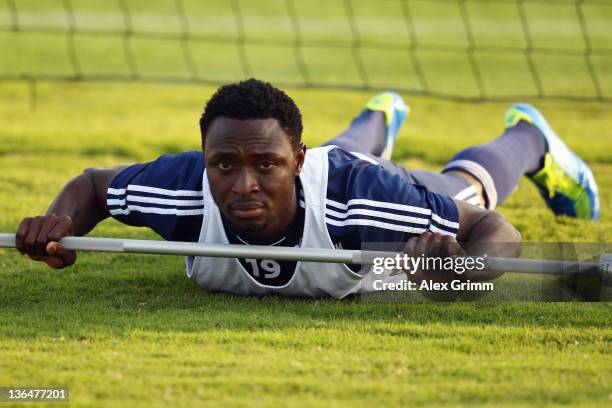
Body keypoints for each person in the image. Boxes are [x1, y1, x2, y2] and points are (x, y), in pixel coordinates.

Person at [14, 79, 599, 298]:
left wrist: (466, 271)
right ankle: (381, 117)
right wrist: (58, 224)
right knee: (345, 146)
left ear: (296, 161)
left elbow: (498, 233)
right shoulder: (181, 188)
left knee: (463, 187)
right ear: (206, 160)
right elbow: (91, 187)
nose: (242, 185)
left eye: (265, 166)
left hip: (358, 180)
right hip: (329, 166)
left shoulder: (367, 200)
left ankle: (530, 138)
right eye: (224, 165)